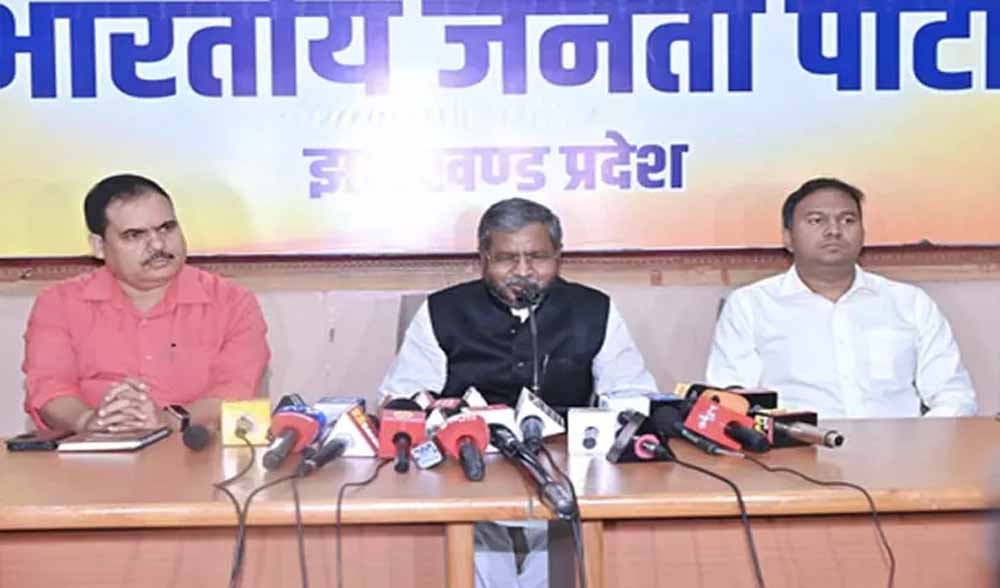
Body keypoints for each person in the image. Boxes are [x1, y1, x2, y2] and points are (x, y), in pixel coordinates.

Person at [381, 197, 658, 588]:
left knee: (568, 552)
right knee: (471, 554)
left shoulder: (594, 309)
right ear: (483, 259)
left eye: (538, 258)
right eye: (506, 259)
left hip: (566, 473)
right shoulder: (442, 310)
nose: (524, 272)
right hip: (467, 474)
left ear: (559, 256)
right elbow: (403, 399)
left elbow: (633, 395)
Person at [706, 177, 976, 418]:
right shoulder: (749, 306)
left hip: (898, 451)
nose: (834, 230)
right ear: (788, 238)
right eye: (816, 220)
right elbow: (731, 402)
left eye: (847, 220)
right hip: (794, 452)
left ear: (863, 234)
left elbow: (954, 395)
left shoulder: (910, 303)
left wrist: (921, 445)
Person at [22, 174, 271, 434]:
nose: (158, 244)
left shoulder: (233, 303)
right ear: (99, 246)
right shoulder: (58, 303)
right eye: (134, 235)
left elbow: (235, 392)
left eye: (167, 228)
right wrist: (89, 421)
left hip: (196, 450)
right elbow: (49, 389)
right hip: (89, 451)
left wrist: (167, 421)